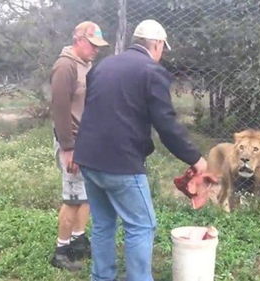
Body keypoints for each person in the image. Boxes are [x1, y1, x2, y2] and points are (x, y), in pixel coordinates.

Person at [73, 19, 208, 281]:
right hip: (121, 164)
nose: (161, 54)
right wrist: (196, 159)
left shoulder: (103, 66)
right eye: (162, 48)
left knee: (103, 224)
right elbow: (166, 124)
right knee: (142, 225)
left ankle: (101, 277)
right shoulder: (151, 71)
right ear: (156, 44)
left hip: (88, 159)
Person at [50, 21, 109, 271]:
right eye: (92, 45)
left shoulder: (87, 65)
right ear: (79, 40)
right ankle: (61, 251)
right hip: (71, 143)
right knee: (72, 198)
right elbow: (60, 109)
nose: (96, 50)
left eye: (98, 46)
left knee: (86, 196)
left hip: (86, 141)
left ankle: (78, 240)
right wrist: (68, 147)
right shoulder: (65, 66)